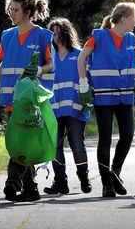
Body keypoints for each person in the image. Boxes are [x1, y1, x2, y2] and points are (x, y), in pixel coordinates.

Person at [77, 2, 135, 197]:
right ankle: (106, 183)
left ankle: (115, 173)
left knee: (127, 136)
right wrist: (84, 83)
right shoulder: (99, 37)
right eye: (134, 17)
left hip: (125, 95)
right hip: (103, 96)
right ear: (123, 18)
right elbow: (81, 58)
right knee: (105, 139)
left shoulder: (132, 39)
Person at [0, 0, 53, 202]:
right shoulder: (7, 35)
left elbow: (52, 64)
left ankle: (15, 183)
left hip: (30, 101)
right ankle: (29, 188)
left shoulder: (44, 36)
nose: (11, 13)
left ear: (27, 11)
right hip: (9, 99)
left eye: (15, 10)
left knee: (23, 142)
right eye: (10, 9)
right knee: (18, 142)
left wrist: (41, 71)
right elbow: (2, 65)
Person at [43, 18, 92, 195]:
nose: (56, 37)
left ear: (67, 32)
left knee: (77, 145)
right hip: (53, 108)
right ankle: (60, 182)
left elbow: (88, 81)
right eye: (53, 34)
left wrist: (86, 103)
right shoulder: (49, 59)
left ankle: (84, 178)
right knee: (54, 146)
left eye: (59, 33)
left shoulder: (80, 54)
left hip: (75, 108)